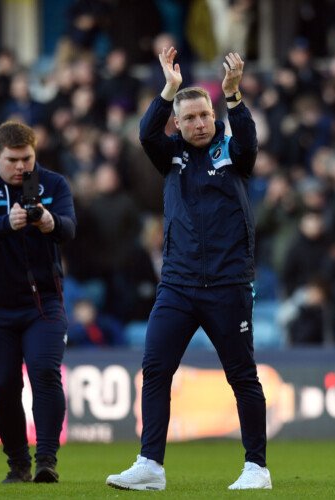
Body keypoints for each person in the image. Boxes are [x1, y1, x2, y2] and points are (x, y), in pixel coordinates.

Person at [106, 47, 271, 491]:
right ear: (177, 123)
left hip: (228, 284)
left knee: (242, 376)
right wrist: (168, 90)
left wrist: (234, 95)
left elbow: (250, 142)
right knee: (156, 370)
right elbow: (145, 134)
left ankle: (257, 467)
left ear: (214, 116)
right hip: (177, 285)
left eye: (205, 115)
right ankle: (150, 466)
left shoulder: (232, 152)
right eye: (189, 117)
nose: (199, 123)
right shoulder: (171, 154)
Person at [0, 121, 76, 484]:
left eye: (27, 158)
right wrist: (5, 222)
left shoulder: (53, 184)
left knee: (44, 372)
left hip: (43, 303)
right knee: (4, 387)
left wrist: (50, 222)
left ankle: (46, 461)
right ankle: (17, 462)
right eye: (12, 160)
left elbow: (70, 229)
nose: (21, 168)